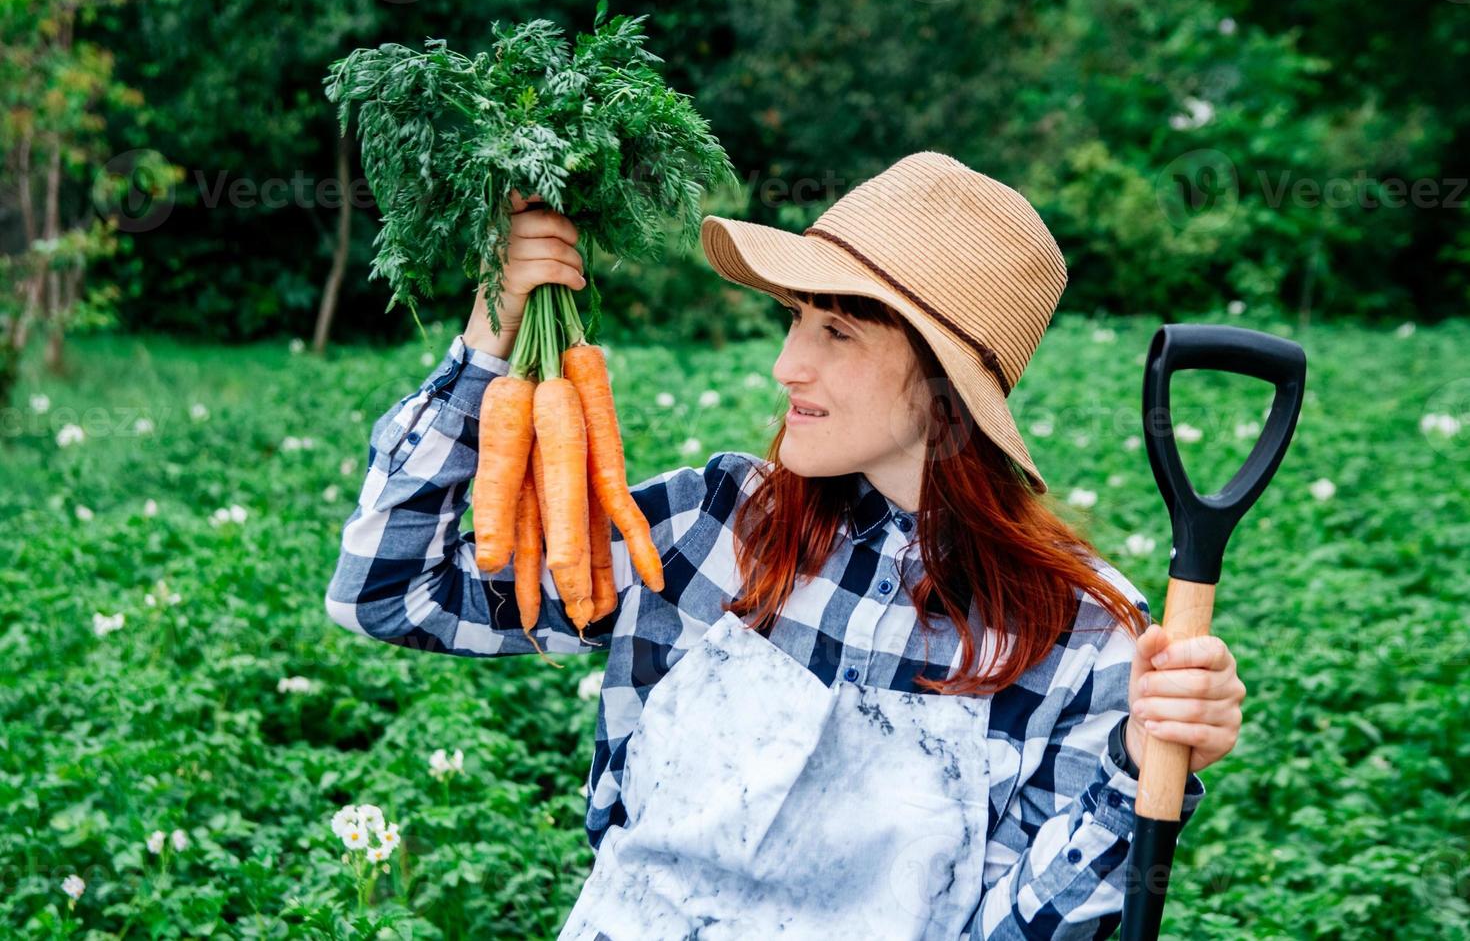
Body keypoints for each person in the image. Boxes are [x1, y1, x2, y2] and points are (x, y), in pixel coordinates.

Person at [325, 152, 1247, 939]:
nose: (785, 365)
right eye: (795, 319)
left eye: (836, 331)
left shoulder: (1087, 642)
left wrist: (1141, 767)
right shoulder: (719, 526)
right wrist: (491, 342)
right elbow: (394, 590)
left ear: (945, 388)